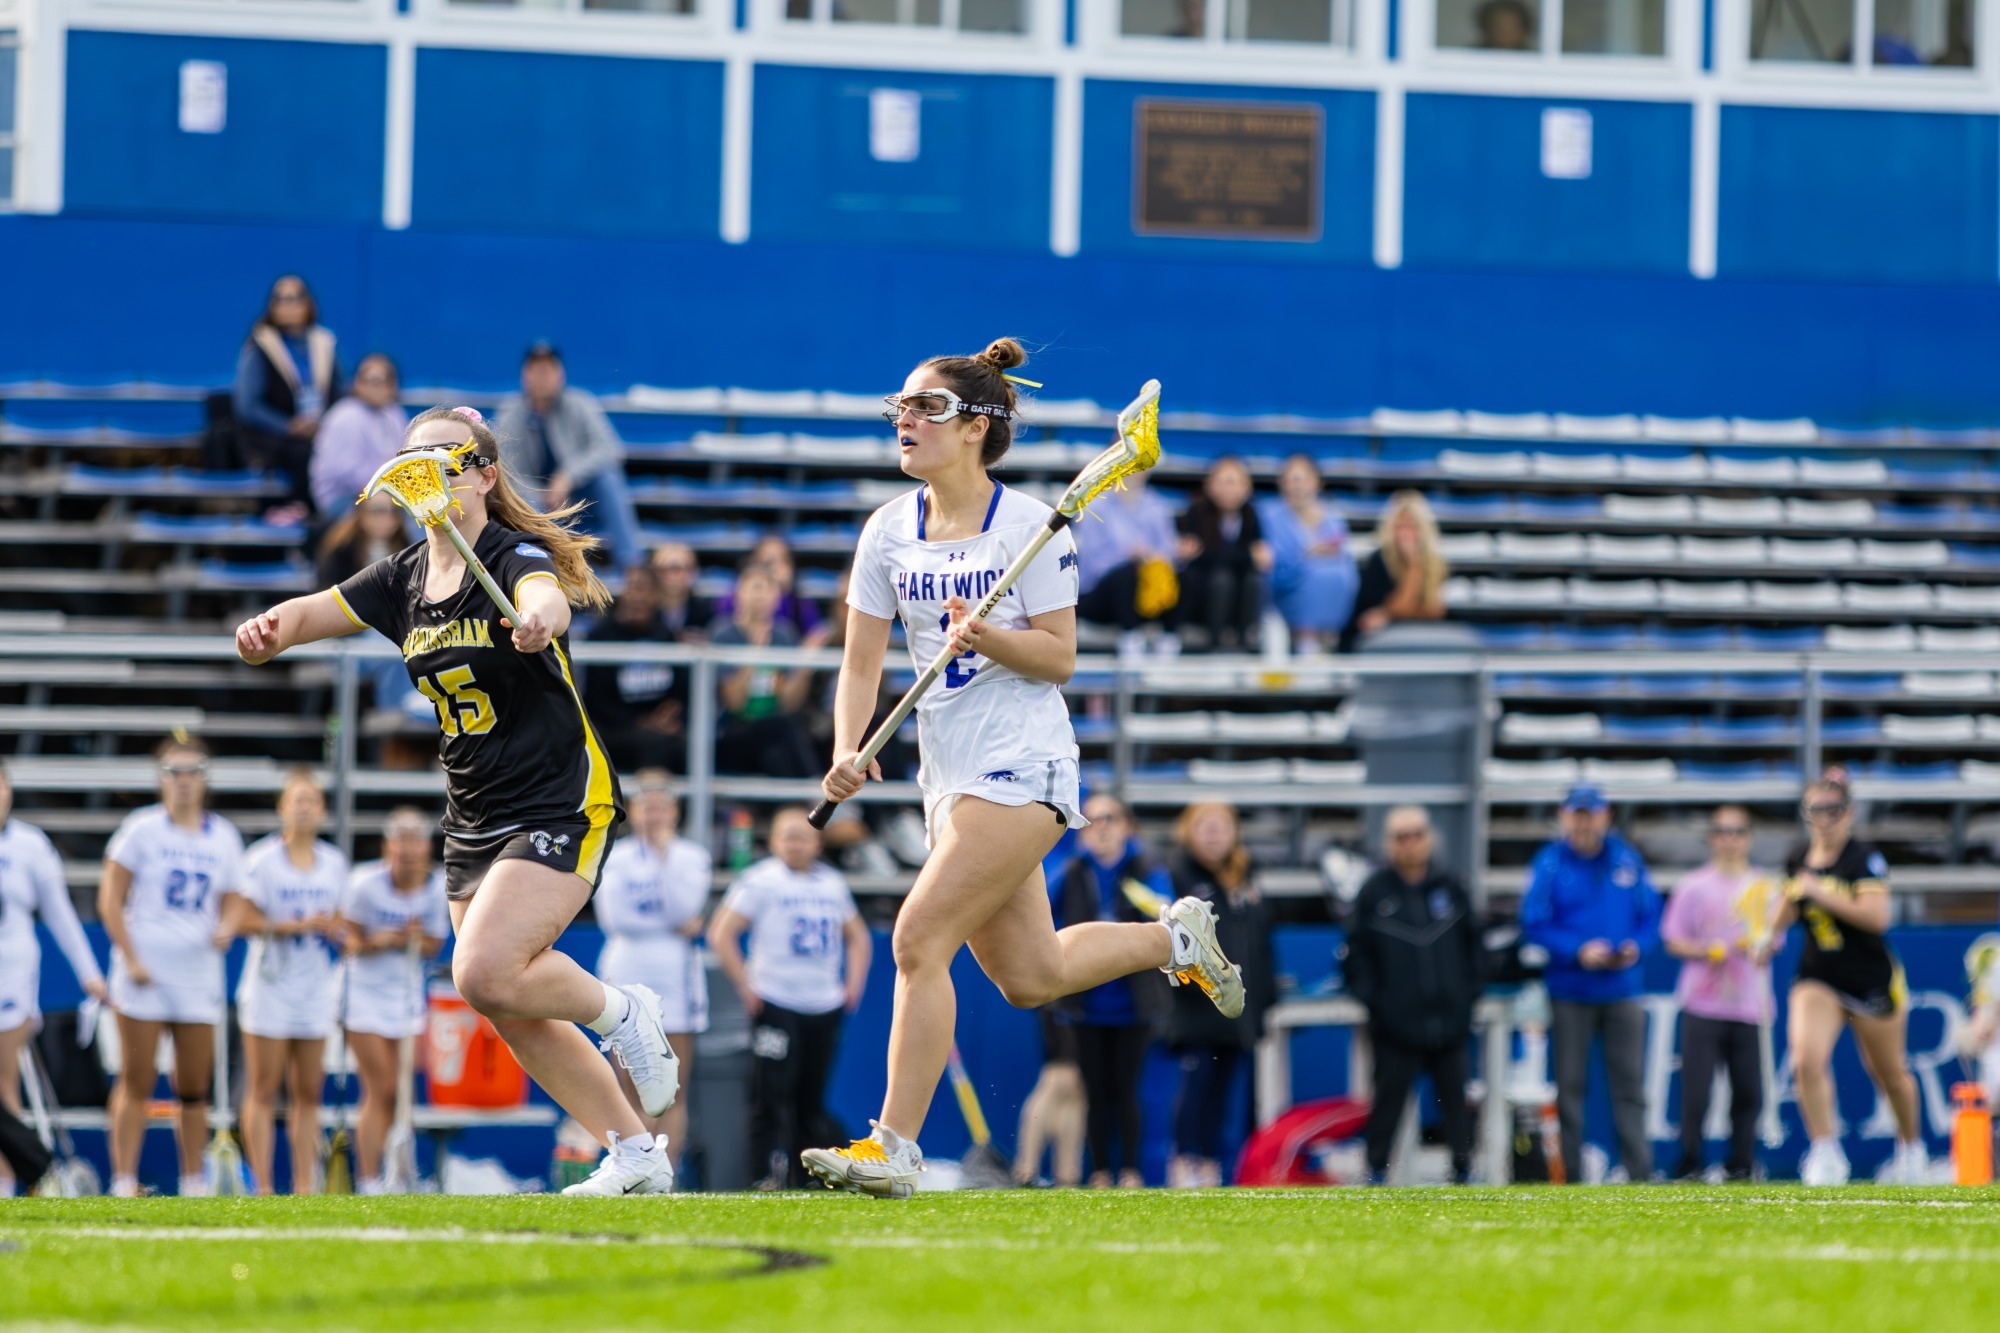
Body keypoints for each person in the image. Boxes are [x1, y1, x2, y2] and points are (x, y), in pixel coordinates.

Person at [800, 337, 1244, 1199]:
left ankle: (892, 1145)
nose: (904, 419)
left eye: (924, 407)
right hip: (946, 773)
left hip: (1024, 766)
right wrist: (847, 748)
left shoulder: (1030, 526)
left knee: (917, 939)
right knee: (1028, 977)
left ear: (975, 427)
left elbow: (1060, 658)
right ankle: (1172, 938)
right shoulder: (887, 530)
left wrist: (989, 634)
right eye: (899, 405)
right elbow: (859, 663)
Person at [234, 404, 681, 1198]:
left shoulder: (512, 554)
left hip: (557, 799)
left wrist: (540, 621)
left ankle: (622, 1010)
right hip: (472, 813)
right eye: (415, 459)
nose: (428, 472)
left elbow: (547, 593)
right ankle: (635, 1150)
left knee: (481, 972)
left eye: (445, 457)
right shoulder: (402, 577)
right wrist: (272, 627)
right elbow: (318, 610)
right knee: (507, 1002)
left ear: (482, 475)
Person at [98, 734, 246, 1198]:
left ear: (205, 780)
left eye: (192, 772)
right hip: (146, 969)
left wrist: (229, 926)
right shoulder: (141, 829)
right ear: (161, 779)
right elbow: (110, 899)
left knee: (194, 1084)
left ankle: (193, 1180)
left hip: (197, 971)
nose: (183, 782)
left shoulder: (222, 835)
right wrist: (132, 957)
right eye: (174, 772)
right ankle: (123, 1178)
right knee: (137, 1078)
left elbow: (236, 898)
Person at [1775, 770, 1926, 1185]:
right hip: (1819, 974)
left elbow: (1877, 918)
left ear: (1849, 813)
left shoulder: (1863, 858)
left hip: (1870, 978)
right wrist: (1767, 931)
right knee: (1806, 1058)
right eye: (1816, 809)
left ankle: (1911, 1149)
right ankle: (1825, 1151)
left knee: (1889, 1072)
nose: (1825, 818)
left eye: (1834, 809)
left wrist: (1820, 890)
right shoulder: (1796, 857)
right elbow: (1788, 908)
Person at [707, 808, 869, 1188]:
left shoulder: (831, 883)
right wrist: (746, 985)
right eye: (788, 836)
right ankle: (761, 1174)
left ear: (817, 842)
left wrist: (853, 984)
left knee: (810, 1097)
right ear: (774, 841)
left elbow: (857, 936)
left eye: (803, 836)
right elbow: (721, 932)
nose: (795, 844)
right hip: (777, 1000)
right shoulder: (760, 880)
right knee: (768, 1095)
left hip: (823, 1003)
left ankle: (808, 1176)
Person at [1520, 785, 1660, 1184]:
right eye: (1576, 814)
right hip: (1570, 991)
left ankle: (1640, 1174)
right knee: (1569, 1089)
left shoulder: (1626, 859)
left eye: (1590, 813)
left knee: (1630, 1086)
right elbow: (1534, 924)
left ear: (1605, 815)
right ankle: (1571, 1177)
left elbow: (1650, 916)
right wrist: (1577, 950)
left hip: (1622, 989)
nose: (1583, 822)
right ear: (1563, 816)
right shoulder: (1550, 863)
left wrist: (1637, 946)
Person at [1345, 805, 1482, 1185]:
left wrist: (1465, 997)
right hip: (1396, 1026)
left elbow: (1476, 947)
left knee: (1455, 1104)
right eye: (1400, 836)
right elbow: (1356, 956)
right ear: (1388, 843)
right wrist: (1379, 1003)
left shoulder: (1452, 886)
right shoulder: (1374, 893)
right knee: (1387, 1107)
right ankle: (1374, 1174)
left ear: (1430, 837)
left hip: (1449, 1022)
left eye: (1416, 834)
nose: (1410, 843)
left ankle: (1464, 1170)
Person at [227, 771, 350, 1195]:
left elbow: (342, 922)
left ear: (322, 811)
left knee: (307, 1093)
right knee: (263, 1089)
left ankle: (304, 1185)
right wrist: (293, 925)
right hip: (270, 987)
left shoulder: (334, 863)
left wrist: (336, 929)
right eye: (296, 800)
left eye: (312, 801)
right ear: (282, 808)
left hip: (315, 989)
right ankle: (261, 1185)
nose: (304, 808)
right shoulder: (261, 860)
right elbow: (242, 919)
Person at [1050, 794, 1172, 1188]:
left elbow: (1165, 911)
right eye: (1092, 820)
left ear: (1127, 827)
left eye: (1111, 818)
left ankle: (1131, 1171)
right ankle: (1101, 1171)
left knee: (1127, 1089)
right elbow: (1043, 917)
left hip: (1132, 1001)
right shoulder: (1069, 870)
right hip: (1085, 1001)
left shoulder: (1145, 867)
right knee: (1094, 1091)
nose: (1101, 827)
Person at [594, 773, 711, 1169]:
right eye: (647, 807)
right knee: (628, 1086)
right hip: (626, 970)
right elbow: (617, 919)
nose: (654, 816)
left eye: (662, 808)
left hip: (677, 977)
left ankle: (667, 1168)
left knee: (673, 1088)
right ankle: (633, 1163)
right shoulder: (617, 856)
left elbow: (685, 908)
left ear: (675, 813)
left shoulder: (691, 856)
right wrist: (673, 921)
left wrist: (663, 859)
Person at [0, 765, 106, 1197]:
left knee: (3, 1079)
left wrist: (89, 974)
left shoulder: (29, 845)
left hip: (11, 972)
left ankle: (8, 1181)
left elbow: (60, 913)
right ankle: (34, 1166)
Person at [1163, 802, 1275, 1189]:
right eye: (1205, 826)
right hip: (1197, 1009)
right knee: (1197, 1085)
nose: (1213, 834)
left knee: (1226, 1094)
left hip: (1238, 1012)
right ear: (1188, 831)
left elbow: (1259, 945)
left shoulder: (1245, 878)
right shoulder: (1177, 875)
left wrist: (1264, 1002)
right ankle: (1184, 1162)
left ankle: (1210, 1165)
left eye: (1221, 826)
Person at [336, 808, 449, 1195]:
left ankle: (397, 1173)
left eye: (416, 841)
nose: (409, 851)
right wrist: (377, 941)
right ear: (389, 846)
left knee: (403, 1090)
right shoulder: (364, 884)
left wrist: (414, 938)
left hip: (405, 997)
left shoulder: (436, 888)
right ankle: (368, 1178)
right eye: (401, 842)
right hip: (364, 997)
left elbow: (434, 945)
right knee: (380, 1085)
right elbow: (346, 941)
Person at [1661, 806, 1774, 1182]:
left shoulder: (1762, 887)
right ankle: (1690, 1161)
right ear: (1712, 838)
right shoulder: (1694, 885)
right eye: (1723, 832)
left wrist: (1757, 945)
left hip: (1747, 1003)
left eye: (1738, 832)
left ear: (1749, 837)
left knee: (1748, 1092)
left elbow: (1772, 939)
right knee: (1696, 1091)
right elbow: (1674, 939)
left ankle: (1741, 1162)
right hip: (1703, 1002)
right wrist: (1706, 950)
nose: (1730, 839)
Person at [493, 342, 644, 571]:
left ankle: (633, 566)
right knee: (526, 502)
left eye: (549, 369)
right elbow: (509, 472)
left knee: (608, 479)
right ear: (525, 376)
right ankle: (547, 569)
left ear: (560, 374)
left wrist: (567, 477)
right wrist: (544, 493)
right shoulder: (511, 413)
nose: (543, 376)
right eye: (537, 370)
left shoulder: (581, 403)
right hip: (536, 502)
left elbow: (609, 449)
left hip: (580, 494)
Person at [232, 274, 343, 516]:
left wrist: (323, 424)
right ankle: (296, 513)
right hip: (272, 437)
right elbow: (248, 405)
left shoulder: (322, 342)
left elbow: (337, 394)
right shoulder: (260, 344)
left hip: (317, 429)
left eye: (296, 298)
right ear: (272, 306)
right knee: (301, 453)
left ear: (308, 303)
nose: (290, 305)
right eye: (282, 299)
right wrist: (289, 426)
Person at [711, 564, 820, 778]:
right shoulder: (723, 634)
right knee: (783, 726)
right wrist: (755, 653)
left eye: (768, 588)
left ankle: (795, 806)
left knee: (777, 754)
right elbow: (734, 703)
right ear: (738, 594)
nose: (760, 595)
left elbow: (788, 702)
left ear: (778, 597)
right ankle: (815, 788)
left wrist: (805, 664)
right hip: (734, 730)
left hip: (774, 730)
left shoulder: (785, 635)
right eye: (754, 587)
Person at [581, 566, 688, 775]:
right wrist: (640, 722)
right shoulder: (602, 636)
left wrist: (671, 713)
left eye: (646, 590)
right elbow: (597, 699)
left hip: (660, 727)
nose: (638, 597)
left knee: (686, 744)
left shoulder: (665, 635)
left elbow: (680, 691)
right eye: (633, 589)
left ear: (657, 596)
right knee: (653, 743)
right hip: (614, 728)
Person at [1074, 469, 1181, 659]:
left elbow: (1168, 552)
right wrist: (1129, 557)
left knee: (1176, 574)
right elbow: (1090, 564)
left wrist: (1156, 558)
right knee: (1127, 572)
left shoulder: (1157, 506)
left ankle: (1168, 637)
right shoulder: (1094, 506)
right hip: (1099, 595)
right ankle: (1130, 636)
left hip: (1146, 591)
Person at [1256, 454, 1358, 654]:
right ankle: (1305, 639)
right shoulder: (1268, 514)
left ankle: (1328, 636)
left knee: (1343, 572)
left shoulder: (1333, 516)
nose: (1297, 485)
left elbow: (1343, 551)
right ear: (1282, 482)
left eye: (1303, 479)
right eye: (1293, 479)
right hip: (1285, 586)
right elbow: (1273, 561)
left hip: (1330, 587)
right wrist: (1306, 553)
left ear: (1317, 482)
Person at [1174, 456, 1272, 652]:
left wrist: (1240, 557)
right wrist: (1244, 556)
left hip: (1240, 589)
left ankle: (1244, 639)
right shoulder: (1196, 512)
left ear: (1247, 487)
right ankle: (1215, 640)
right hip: (1205, 592)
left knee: (1253, 580)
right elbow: (1200, 558)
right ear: (1209, 485)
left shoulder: (1251, 515)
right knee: (1221, 578)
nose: (1229, 489)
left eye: (1235, 482)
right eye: (1223, 481)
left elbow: (1258, 559)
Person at [1342, 490, 1449, 652]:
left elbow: (1434, 610)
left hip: (1415, 636)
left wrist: (1387, 613)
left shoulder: (1434, 562)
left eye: (1412, 527)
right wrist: (1413, 568)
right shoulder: (1378, 561)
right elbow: (1397, 609)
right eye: (1400, 527)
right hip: (1367, 641)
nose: (1406, 534)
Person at [309, 354, 408, 519]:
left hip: (385, 493)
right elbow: (345, 473)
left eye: (383, 381)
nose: (376, 387)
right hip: (344, 499)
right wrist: (388, 487)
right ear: (357, 383)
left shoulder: (394, 414)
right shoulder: (345, 415)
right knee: (401, 517)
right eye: (370, 380)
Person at [1011, 1010, 1086, 1187]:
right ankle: (1027, 1169)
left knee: (1072, 1094)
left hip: (1074, 1006)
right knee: (1060, 1080)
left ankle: (1065, 1173)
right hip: (1068, 1003)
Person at [712, 534, 826, 639]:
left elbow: (813, 635)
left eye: (783, 560)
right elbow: (725, 610)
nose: (776, 567)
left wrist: (783, 591)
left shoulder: (799, 605)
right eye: (768, 561)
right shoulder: (733, 600)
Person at [650, 541, 712, 641]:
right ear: (656, 572)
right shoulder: (644, 612)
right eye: (670, 568)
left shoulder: (706, 613)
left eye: (681, 568)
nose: (675, 576)